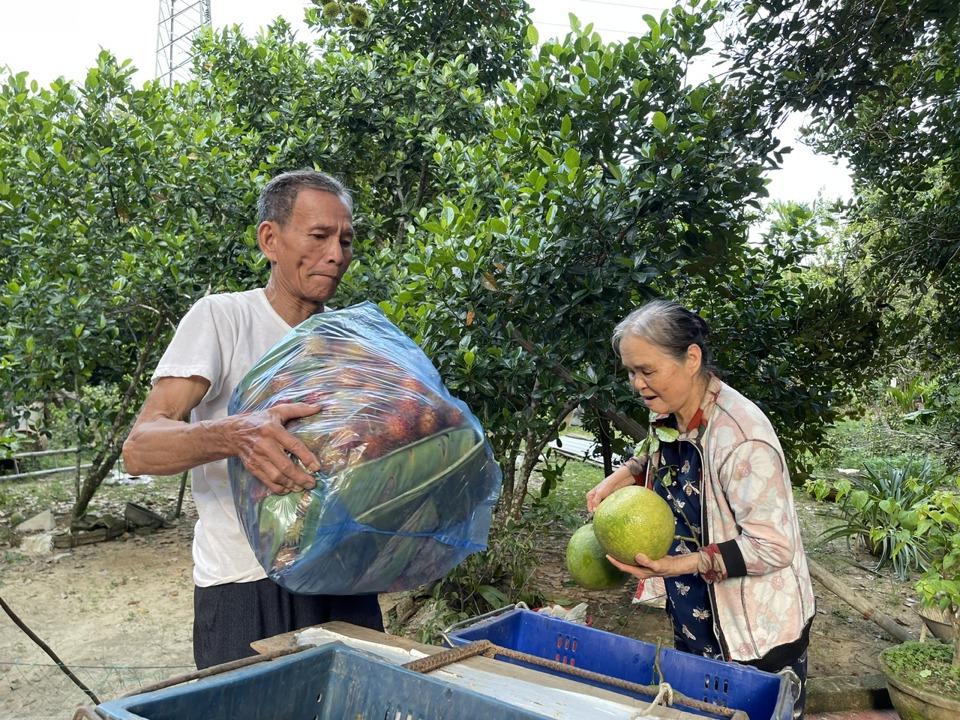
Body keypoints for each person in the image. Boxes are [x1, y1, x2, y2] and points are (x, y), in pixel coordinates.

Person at [122, 169, 384, 669]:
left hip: (345, 578)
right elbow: (140, 447)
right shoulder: (222, 319)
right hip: (246, 585)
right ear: (270, 238)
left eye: (346, 240)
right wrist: (238, 433)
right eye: (319, 236)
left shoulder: (351, 344)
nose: (336, 254)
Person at [586, 299, 815, 718]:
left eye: (648, 370)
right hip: (698, 613)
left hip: (754, 634)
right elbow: (669, 457)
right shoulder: (672, 412)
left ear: (691, 359)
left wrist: (673, 566)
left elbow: (773, 547)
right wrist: (629, 471)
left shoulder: (743, 439)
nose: (637, 384)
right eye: (631, 372)